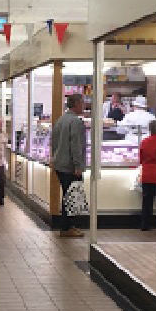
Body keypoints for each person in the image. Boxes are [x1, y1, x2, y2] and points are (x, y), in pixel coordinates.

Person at [51, 93, 87, 238]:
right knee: (72, 196)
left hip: (60, 163)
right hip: (70, 166)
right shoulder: (76, 122)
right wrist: (78, 166)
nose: (84, 106)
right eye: (82, 103)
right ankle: (67, 228)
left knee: (67, 194)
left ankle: (68, 226)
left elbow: (53, 143)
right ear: (77, 104)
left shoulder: (60, 120)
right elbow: (76, 146)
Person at [139, 120, 156, 232]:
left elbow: (141, 159)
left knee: (147, 202)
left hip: (147, 174)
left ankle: (145, 225)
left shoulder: (144, 141)